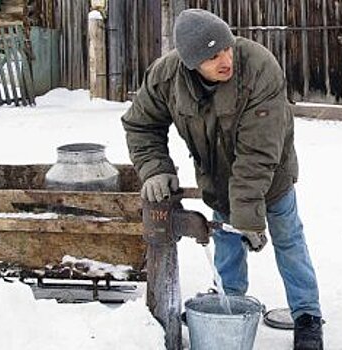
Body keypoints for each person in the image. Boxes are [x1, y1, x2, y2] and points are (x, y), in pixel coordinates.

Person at [121, 9, 323, 350]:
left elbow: (258, 154)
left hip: (270, 175)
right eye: (213, 56)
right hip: (216, 179)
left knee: (288, 239)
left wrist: (249, 218)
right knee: (227, 244)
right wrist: (155, 167)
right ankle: (227, 302)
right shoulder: (165, 78)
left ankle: (307, 315)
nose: (225, 59)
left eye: (227, 49)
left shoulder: (259, 67)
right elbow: (141, 124)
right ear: (190, 61)